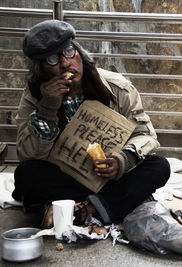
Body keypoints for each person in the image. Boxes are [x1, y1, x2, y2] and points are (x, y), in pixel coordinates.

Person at [12, 20, 170, 227]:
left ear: (79, 53)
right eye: (52, 59)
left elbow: (146, 135)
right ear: (41, 69)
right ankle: (116, 203)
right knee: (26, 174)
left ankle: (85, 209)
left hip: (108, 175)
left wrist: (124, 159)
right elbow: (28, 155)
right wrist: (47, 109)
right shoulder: (33, 96)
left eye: (68, 51)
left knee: (159, 166)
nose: (65, 63)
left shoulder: (117, 87)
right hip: (65, 176)